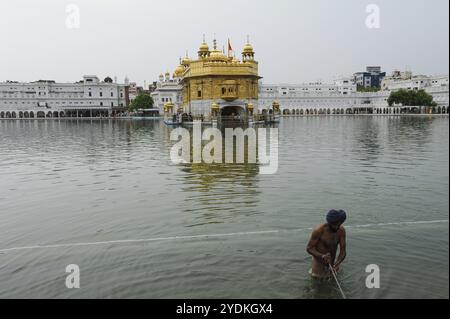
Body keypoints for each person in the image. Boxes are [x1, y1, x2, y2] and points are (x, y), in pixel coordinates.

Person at [306, 210, 347, 279]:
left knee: (332, 284)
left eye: (338, 225)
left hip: (332, 264)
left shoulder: (341, 231)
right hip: (319, 264)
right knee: (317, 284)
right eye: (334, 225)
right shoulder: (319, 230)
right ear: (329, 222)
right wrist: (322, 256)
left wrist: (338, 262)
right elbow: (309, 248)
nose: (336, 227)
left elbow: (343, 251)